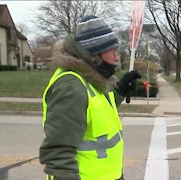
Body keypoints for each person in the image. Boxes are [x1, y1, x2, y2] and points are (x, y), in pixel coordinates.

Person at [39, 15, 141, 180]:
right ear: (94, 54)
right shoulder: (70, 87)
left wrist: (120, 91)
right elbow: (59, 154)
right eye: (113, 52)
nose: (117, 58)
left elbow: (95, 113)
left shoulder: (92, 78)